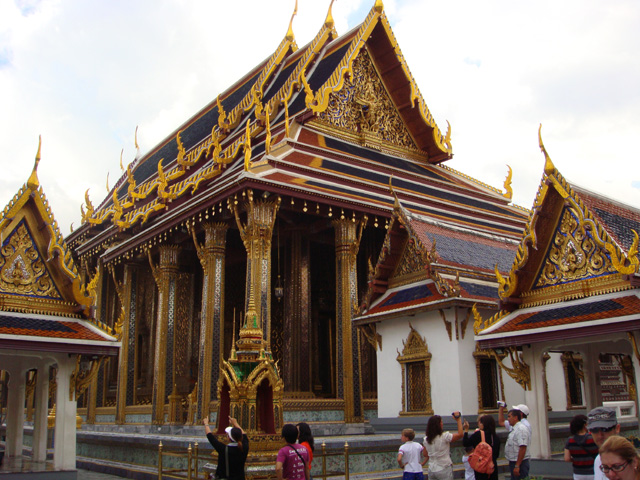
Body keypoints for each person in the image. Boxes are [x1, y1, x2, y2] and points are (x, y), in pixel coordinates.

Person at [203, 415, 249, 480]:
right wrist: (235, 423)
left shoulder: (224, 449)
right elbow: (244, 436)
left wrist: (206, 424)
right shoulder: (244, 448)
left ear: (229, 438)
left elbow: (211, 437)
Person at [423, 411, 464, 480]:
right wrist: (458, 420)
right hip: (444, 467)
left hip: (432, 468)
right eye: (441, 422)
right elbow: (460, 434)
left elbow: (425, 454)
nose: (442, 424)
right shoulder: (444, 436)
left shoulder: (426, 439)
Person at [463, 414, 500, 480]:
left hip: (481, 466)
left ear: (483, 424)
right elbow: (496, 454)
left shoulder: (478, 434)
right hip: (492, 467)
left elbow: (465, 443)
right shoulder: (495, 437)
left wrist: (466, 430)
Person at [589, 407, 621, 480]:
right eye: (595, 430)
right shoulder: (598, 460)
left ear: (617, 428)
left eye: (605, 429)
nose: (600, 435)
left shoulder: (628, 460)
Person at [564, 414, 599, 480]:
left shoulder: (570, 440)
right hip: (593, 471)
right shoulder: (593, 438)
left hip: (578, 473)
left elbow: (567, 459)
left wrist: (577, 460)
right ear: (584, 425)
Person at [504, 408, 531, 480]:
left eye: (509, 416)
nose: (508, 419)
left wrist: (517, 465)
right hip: (513, 461)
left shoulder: (521, 429)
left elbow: (522, 447)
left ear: (515, 417)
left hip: (520, 463)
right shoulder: (514, 429)